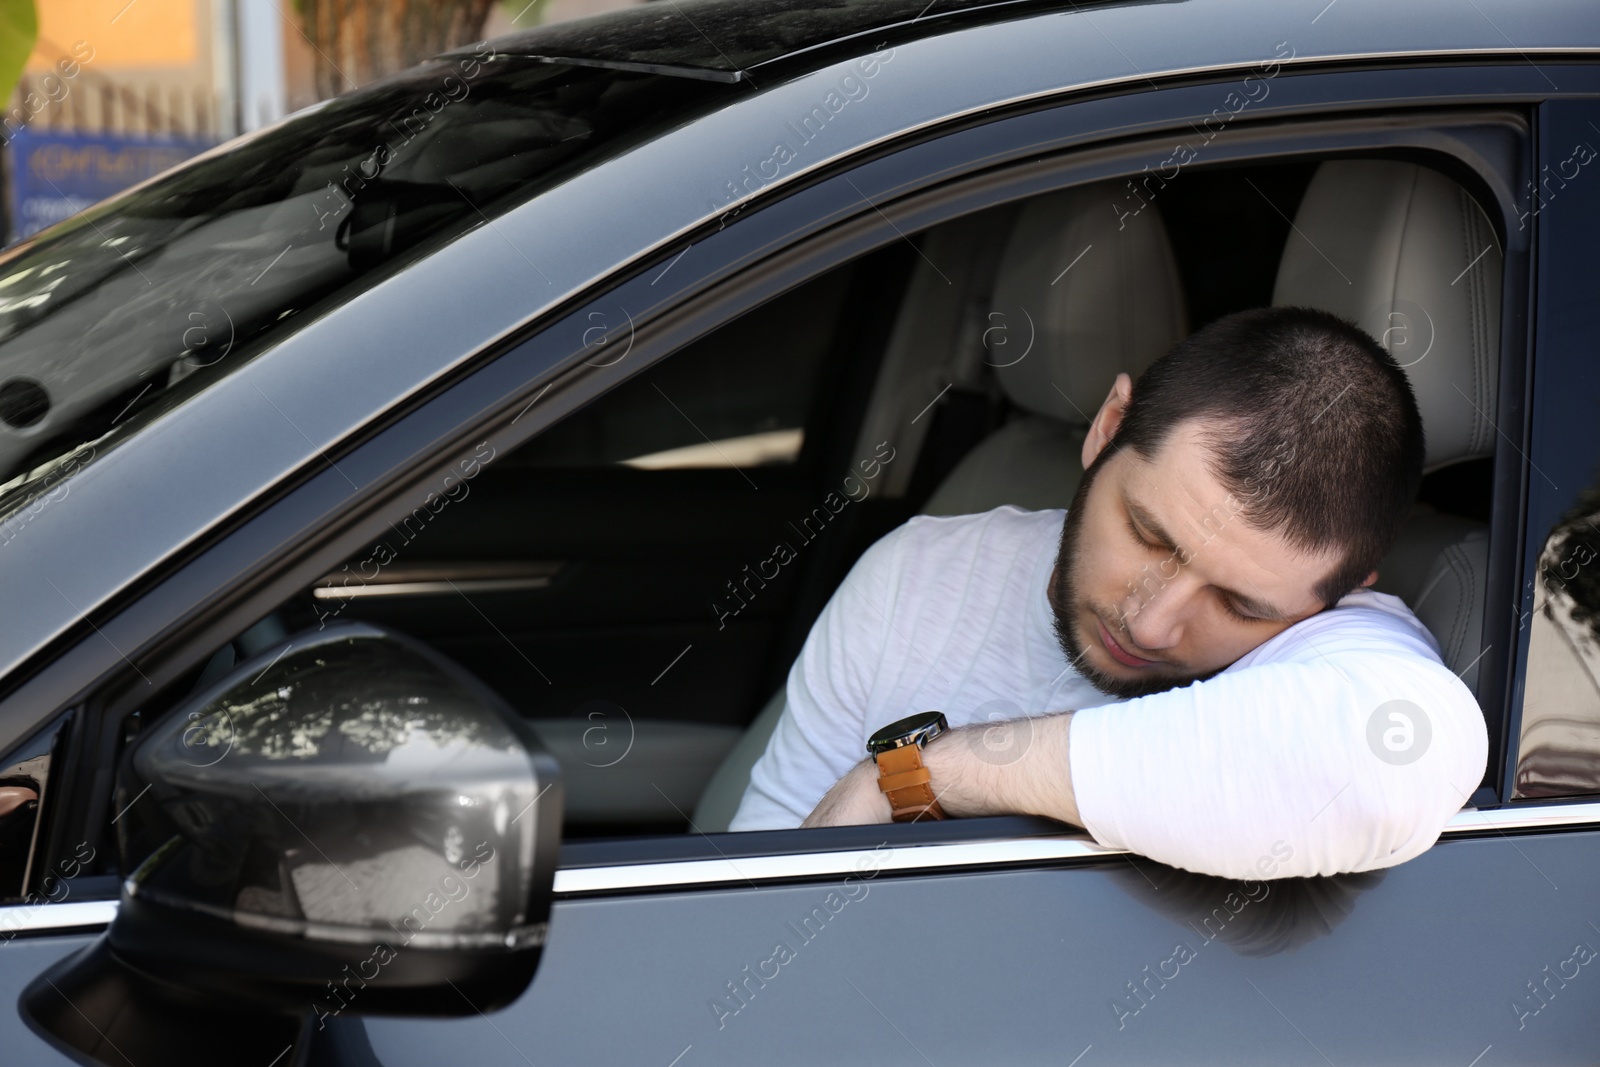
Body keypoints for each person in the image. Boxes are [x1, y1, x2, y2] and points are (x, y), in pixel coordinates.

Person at [729, 306, 1488, 880]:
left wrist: (915, 773)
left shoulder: (1337, 652)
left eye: (1240, 605)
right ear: (1108, 427)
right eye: (1149, 533)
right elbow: (751, 883)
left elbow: (1397, 757)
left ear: (1338, 595)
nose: (1152, 623)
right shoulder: (916, 574)